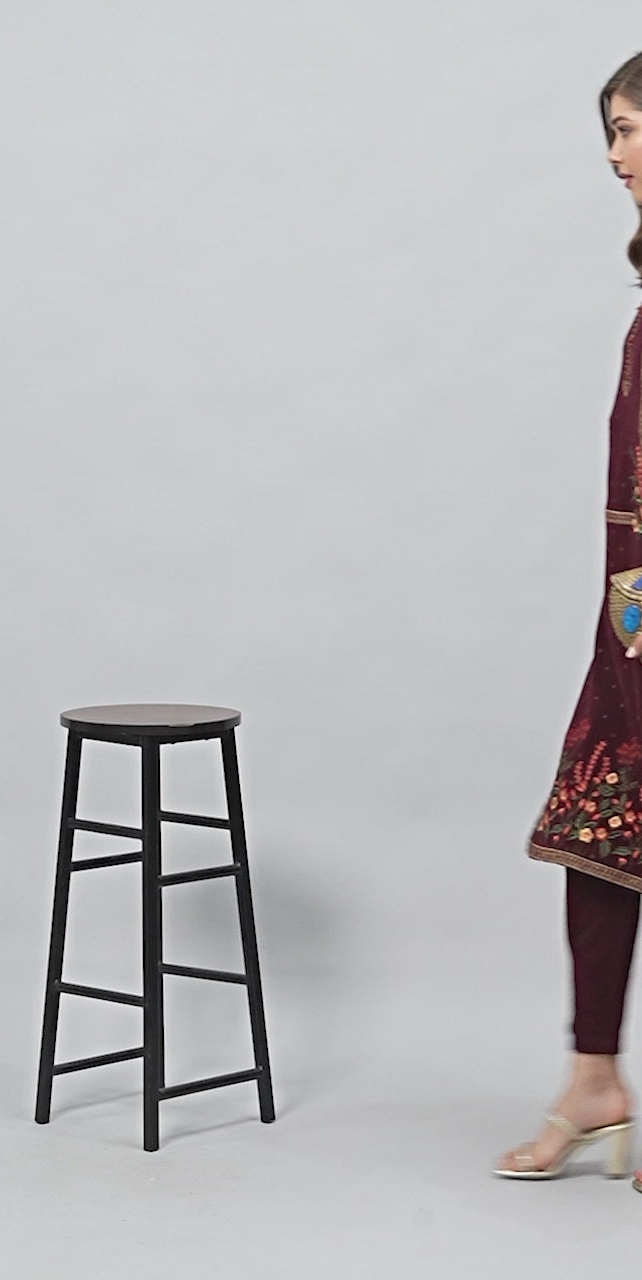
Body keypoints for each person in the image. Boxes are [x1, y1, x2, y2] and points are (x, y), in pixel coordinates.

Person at [494, 52, 642, 1188]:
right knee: (602, 825)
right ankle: (594, 1077)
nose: (614, 154)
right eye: (612, 131)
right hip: (634, 613)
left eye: (632, 129)